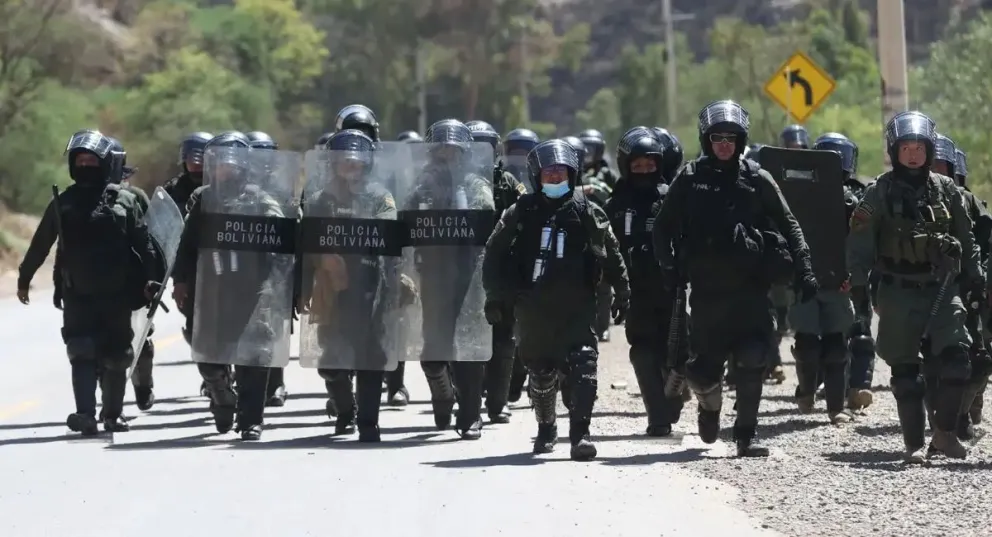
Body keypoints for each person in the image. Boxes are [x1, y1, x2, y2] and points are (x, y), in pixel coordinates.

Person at [652, 100, 818, 457]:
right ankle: (709, 407)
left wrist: (803, 267)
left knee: (753, 358)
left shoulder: (757, 178)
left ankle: (746, 435)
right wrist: (668, 268)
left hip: (751, 289)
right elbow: (662, 226)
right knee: (704, 372)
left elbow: (789, 223)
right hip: (708, 293)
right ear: (706, 140)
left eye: (731, 138)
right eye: (717, 138)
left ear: (741, 141)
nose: (724, 144)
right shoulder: (691, 177)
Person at [483, 138, 630, 460]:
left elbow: (612, 252)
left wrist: (623, 291)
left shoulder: (588, 211)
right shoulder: (520, 212)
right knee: (541, 372)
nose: (555, 179)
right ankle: (546, 426)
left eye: (561, 174)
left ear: (572, 175)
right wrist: (495, 296)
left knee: (585, 368)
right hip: (533, 308)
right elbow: (493, 253)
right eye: (549, 174)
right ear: (537, 176)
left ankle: (581, 435)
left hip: (578, 306)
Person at [847, 111, 981, 462]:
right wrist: (859, 289)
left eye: (919, 147)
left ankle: (945, 434)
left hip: (941, 286)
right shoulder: (878, 192)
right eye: (906, 147)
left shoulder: (947, 190)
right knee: (906, 376)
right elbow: (858, 245)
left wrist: (975, 278)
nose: (913, 154)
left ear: (929, 150)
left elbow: (968, 239)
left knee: (958, 362)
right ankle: (914, 445)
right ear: (895, 150)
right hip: (898, 290)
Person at [18, 130, 164, 435]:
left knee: (117, 355)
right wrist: (24, 277)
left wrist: (152, 279)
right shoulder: (65, 203)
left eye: (91, 160)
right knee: (81, 350)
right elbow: (41, 243)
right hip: (77, 293)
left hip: (117, 294)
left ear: (105, 164)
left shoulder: (124, 201)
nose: (85, 165)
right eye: (80, 160)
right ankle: (84, 414)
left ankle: (113, 415)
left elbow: (145, 243)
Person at [172, 131, 297, 441]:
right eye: (219, 165)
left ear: (242, 166)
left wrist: (281, 284)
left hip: (254, 289)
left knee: (254, 353)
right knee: (209, 356)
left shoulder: (259, 199)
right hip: (212, 288)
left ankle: (252, 419)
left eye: (230, 165)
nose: (223, 170)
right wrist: (180, 281)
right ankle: (222, 395)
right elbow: (187, 245)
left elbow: (283, 238)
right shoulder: (203, 198)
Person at [298, 130, 405, 442]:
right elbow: (305, 245)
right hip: (331, 290)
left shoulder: (379, 197)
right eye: (343, 159)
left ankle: (369, 423)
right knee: (331, 362)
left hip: (373, 287)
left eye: (356, 160)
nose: (350, 164)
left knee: (371, 358)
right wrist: (309, 278)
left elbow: (390, 232)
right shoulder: (319, 199)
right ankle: (346, 410)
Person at [402, 119, 495, 440]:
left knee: (468, 346)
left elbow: (487, 221)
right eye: (443, 148)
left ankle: (471, 415)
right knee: (433, 350)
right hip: (434, 273)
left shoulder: (476, 184)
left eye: (455, 148)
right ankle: (443, 396)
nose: (449, 154)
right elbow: (405, 221)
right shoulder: (422, 184)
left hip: (470, 274)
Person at [605, 131, 684, 436]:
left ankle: (673, 395)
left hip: (672, 289)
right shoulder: (616, 203)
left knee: (677, 352)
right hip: (634, 291)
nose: (644, 172)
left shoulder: (672, 197)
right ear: (626, 166)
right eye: (637, 166)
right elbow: (605, 247)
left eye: (650, 166)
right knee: (642, 350)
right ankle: (658, 417)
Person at [785, 133, 860, 424]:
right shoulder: (795, 196)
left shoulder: (851, 202)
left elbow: (858, 242)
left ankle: (835, 407)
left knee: (836, 347)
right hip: (804, 280)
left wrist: (855, 275)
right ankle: (805, 392)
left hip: (837, 281)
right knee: (807, 345)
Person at [929, 136, 991, 441]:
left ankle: (961, 413)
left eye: (941, 164)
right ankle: (940, 423)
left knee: (978, 361)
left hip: (964, 289)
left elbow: (983, 243)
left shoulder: (967, 201)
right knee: (929, 362)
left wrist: (979, 280)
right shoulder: (906, 194)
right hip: (923, 290)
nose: (935, 169)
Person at [466, 120, 527, 424]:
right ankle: (468, 398)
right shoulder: (452, 182)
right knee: (464, 336)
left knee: (503, 335)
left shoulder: (507, 183)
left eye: (486, 148)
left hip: (499, 269)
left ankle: (498, 402)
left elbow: (524, 215)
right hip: (460, 269)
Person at [244, 130, 289, 408]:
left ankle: (275, 383)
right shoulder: (238, 188)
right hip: (240, 272)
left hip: (274, 269)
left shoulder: (282, 191)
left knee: (271, 327)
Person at [500, 128, 541, 402]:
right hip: (510, 261)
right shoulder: (502, 182)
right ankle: (510, 385)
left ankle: (535, 380)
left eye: (524, 153)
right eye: (514, 152)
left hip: (538, 258)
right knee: (510, 325)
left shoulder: (545, 179)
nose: (519, 158)